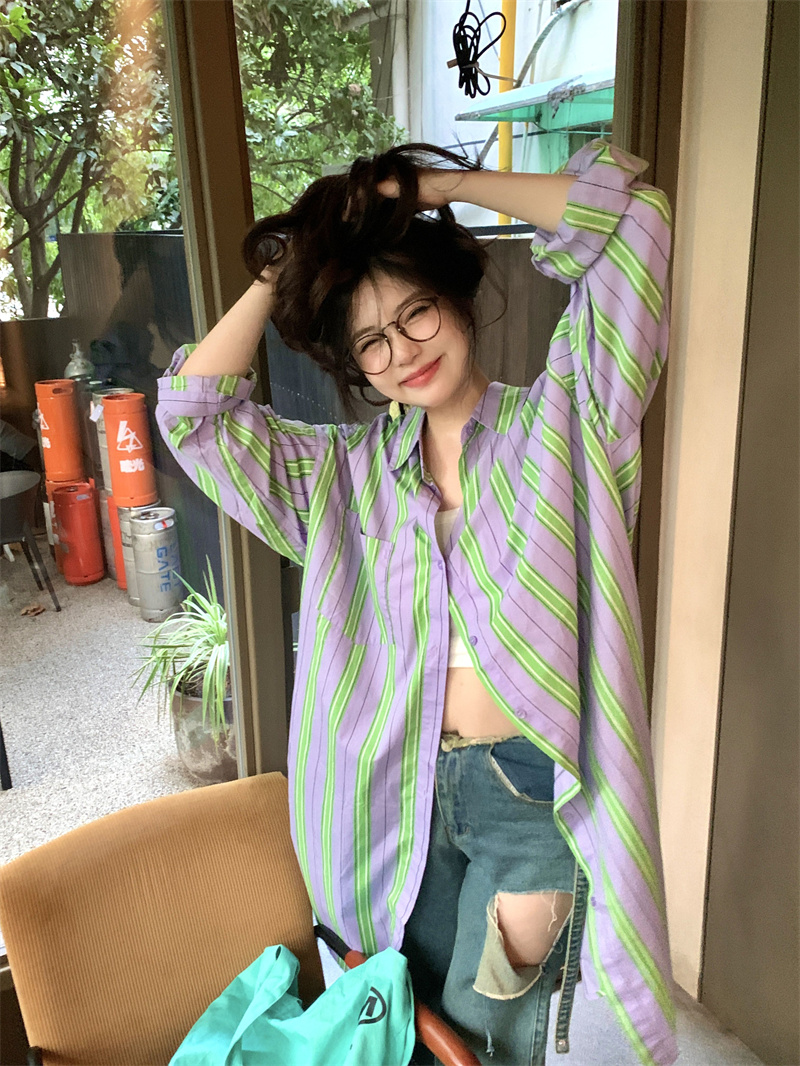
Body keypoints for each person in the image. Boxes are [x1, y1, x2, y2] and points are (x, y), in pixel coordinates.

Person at [155, 138, 676, 1066]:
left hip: (527, 792)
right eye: (372, 342)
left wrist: (434, 188)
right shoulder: (340, 480)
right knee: (400, 1020)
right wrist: (295, 262)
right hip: (392, 789)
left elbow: (633, 224)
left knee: (490, 1034)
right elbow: (195, 416)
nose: (403, 351)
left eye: (417, 313)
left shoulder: (568, 425)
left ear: (455, 300)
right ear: (357, 366)